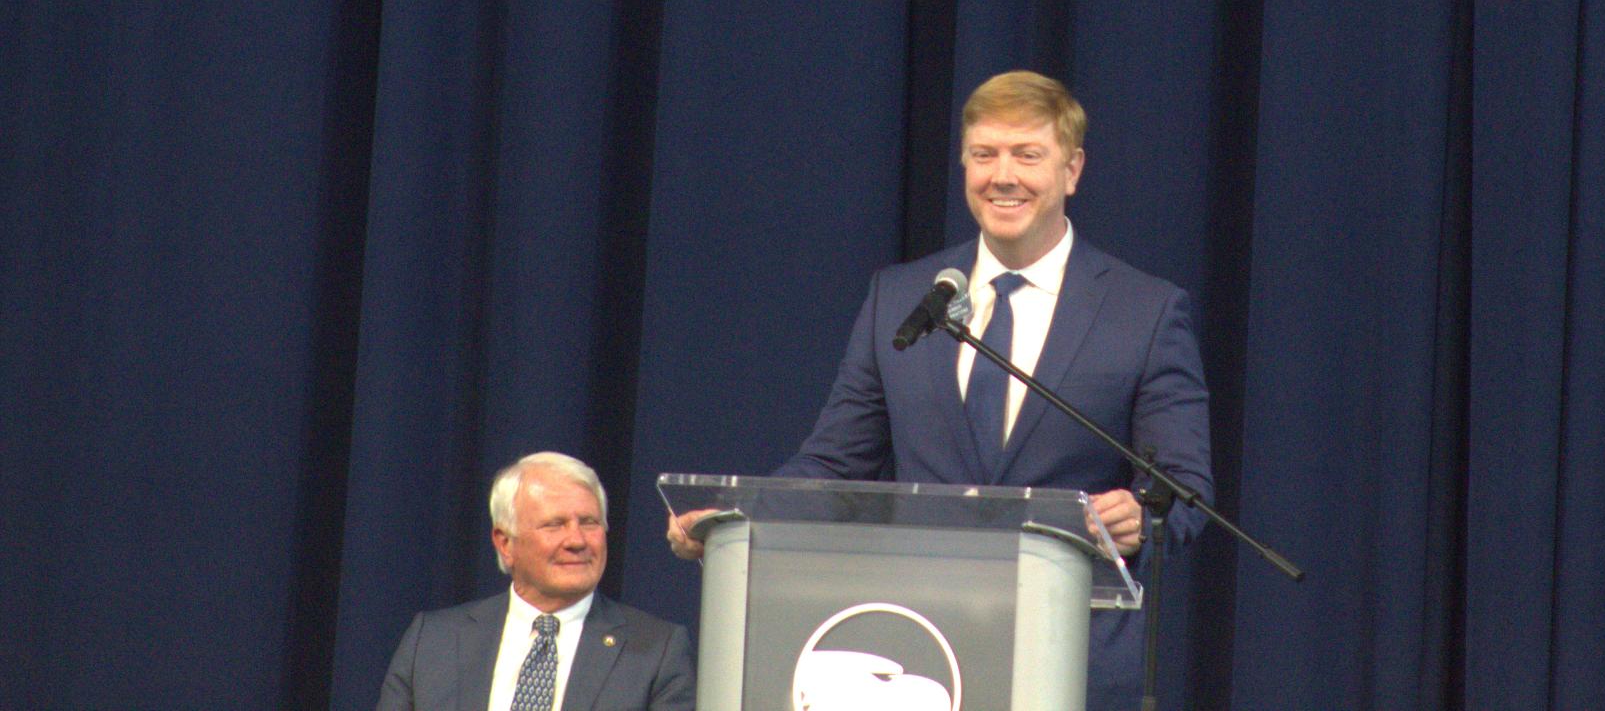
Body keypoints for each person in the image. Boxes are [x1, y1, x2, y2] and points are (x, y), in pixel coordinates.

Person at [668, 71, 1212, 708]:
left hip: (1074, 662)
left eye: (1027, 155)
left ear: (1072, 169)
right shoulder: (903, 298)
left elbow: (1184, 490)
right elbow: (836, 460)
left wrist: (1139, 519)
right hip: (925, 654)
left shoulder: (1143, 312)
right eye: (984, 155)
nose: (1002, 176)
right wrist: (739, 520)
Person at [380, 451, 694, 711]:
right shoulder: (434, 642)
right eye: (554, 525)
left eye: (589, 522)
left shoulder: (657, 651)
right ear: (505, 543)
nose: (577, 540)